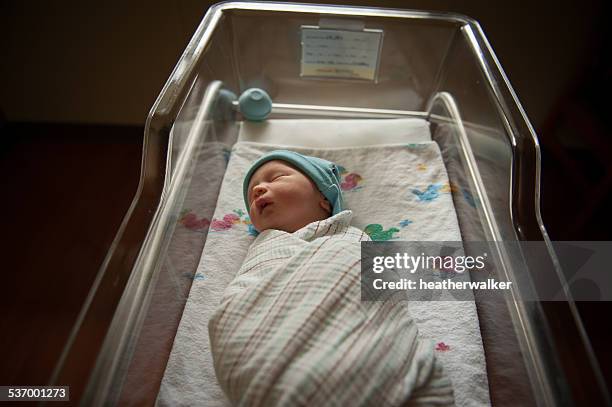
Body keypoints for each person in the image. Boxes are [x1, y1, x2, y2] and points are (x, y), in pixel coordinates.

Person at [209, 150, 454, 406]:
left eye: (277, 177)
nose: (259, 188)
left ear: (324, 199)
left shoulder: (351, 240)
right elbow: (246, 293)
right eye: (252, 193)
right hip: (256, 349)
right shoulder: (265, 246)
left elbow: (373, 286)